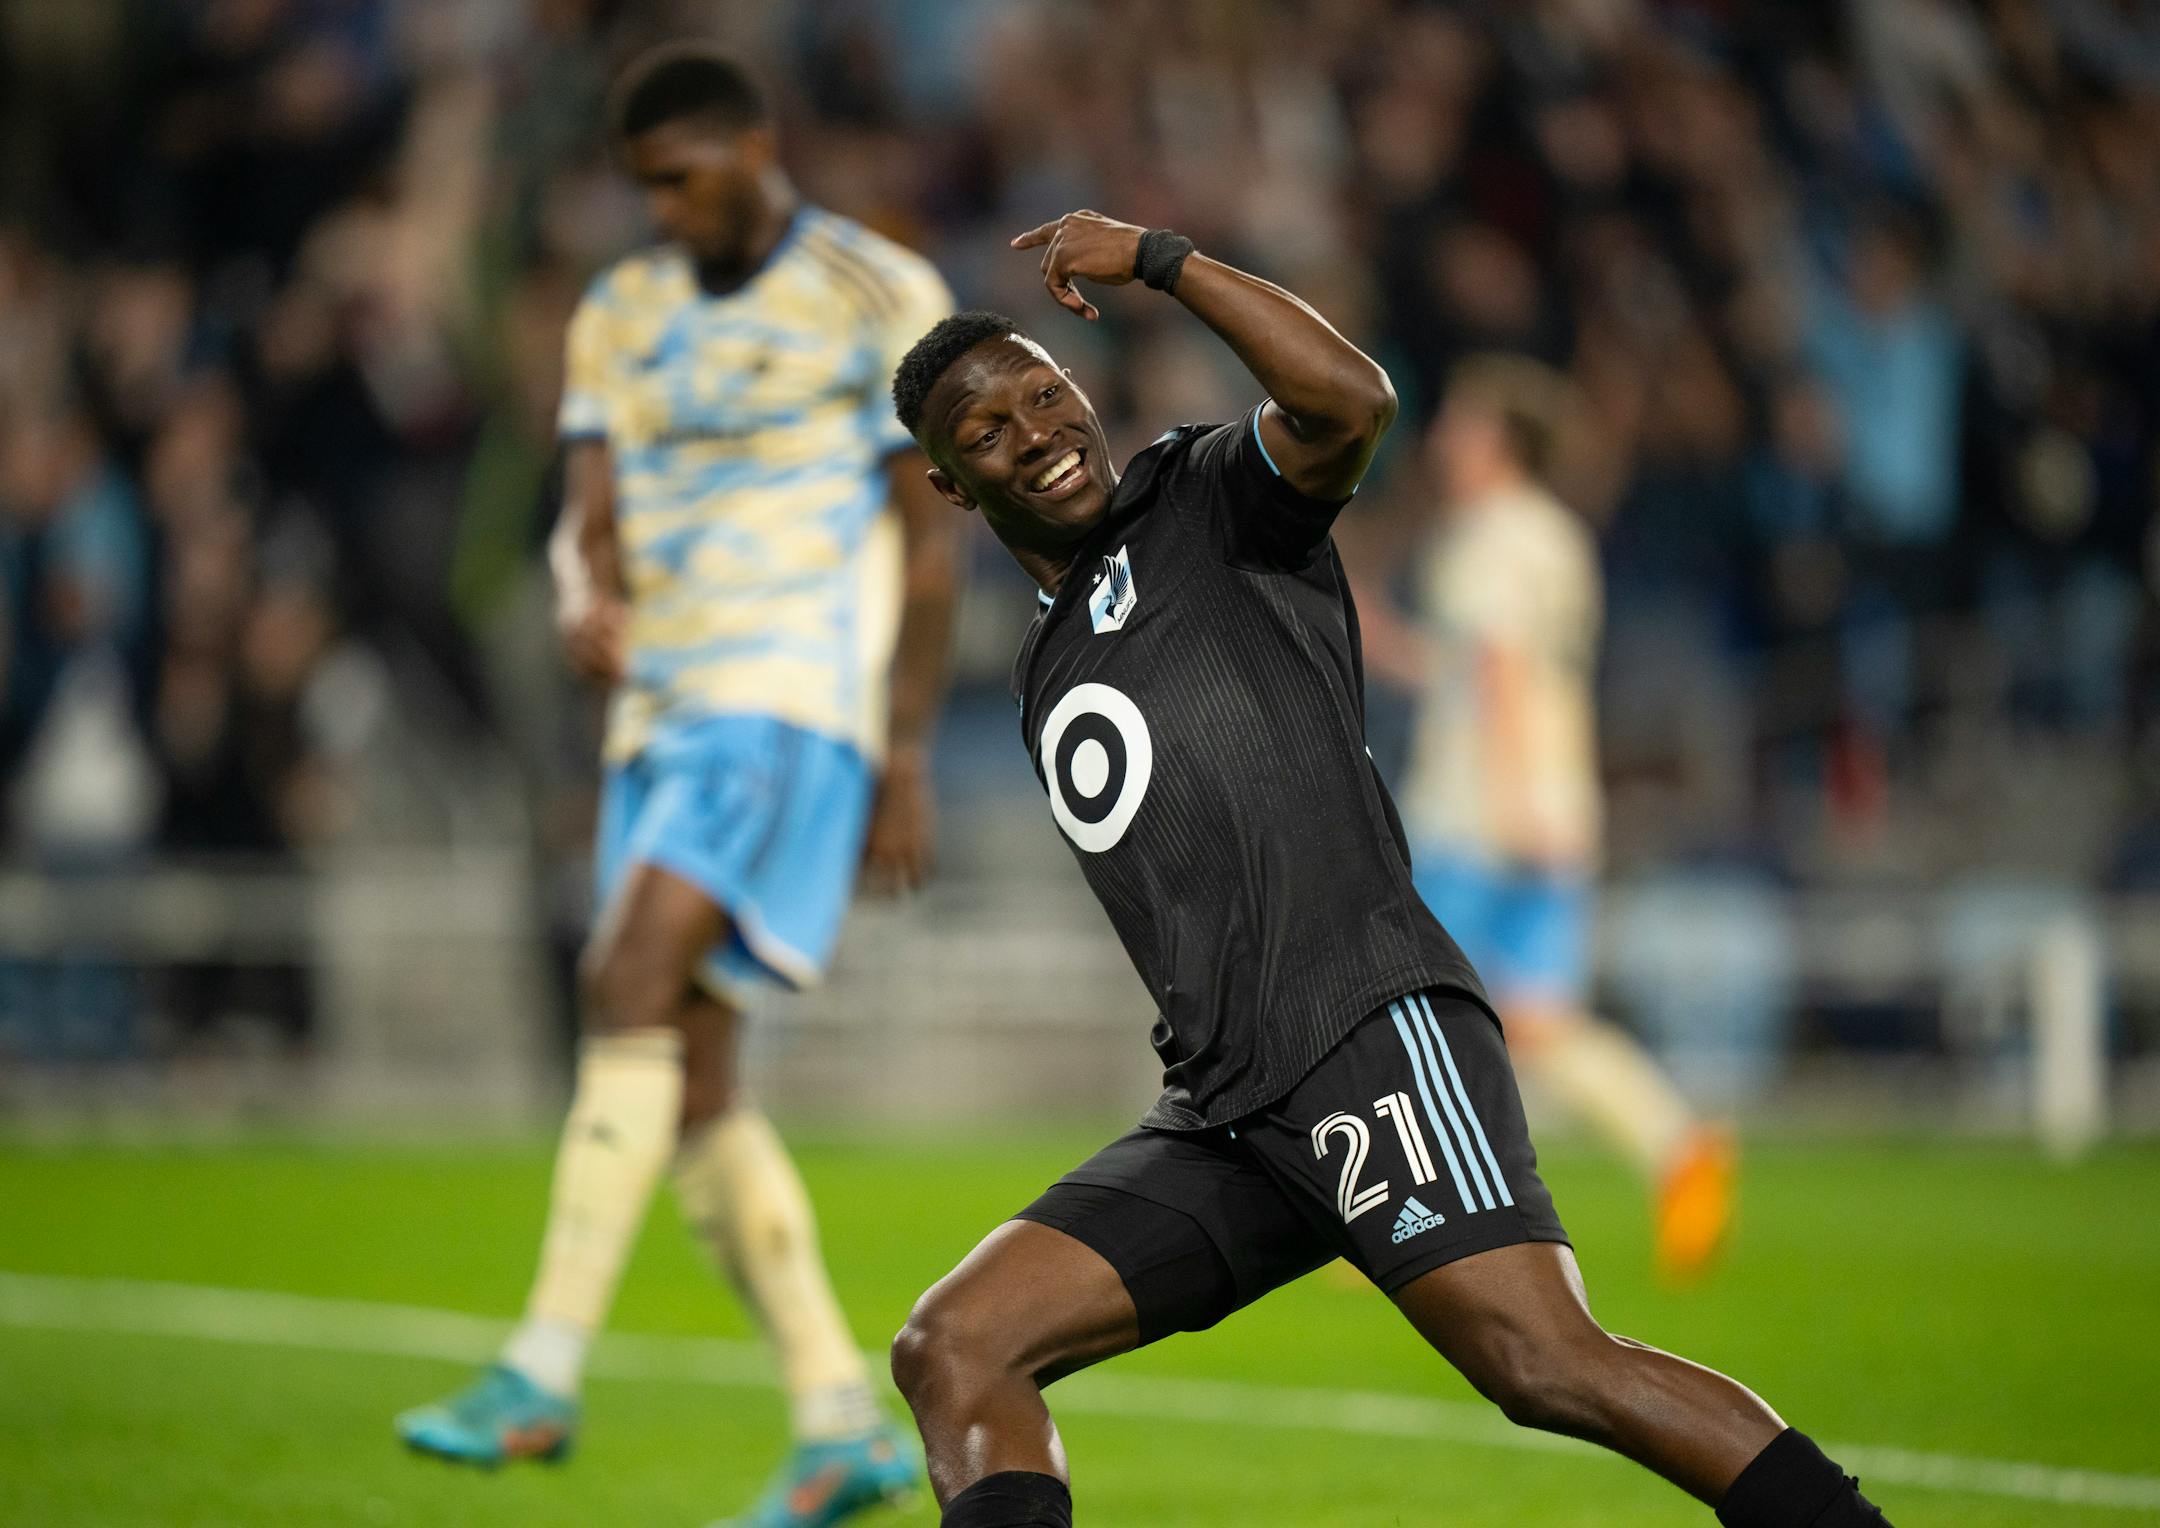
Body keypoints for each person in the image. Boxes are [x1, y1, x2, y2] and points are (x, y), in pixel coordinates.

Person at [881, 211, 1891, 1528]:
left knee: (1546, 1364)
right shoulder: (1044, 662)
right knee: (954, 1345)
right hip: (1228, 1105)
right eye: (991, 431)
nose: (1039, 431)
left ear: (1084, 387)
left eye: (1046, 392)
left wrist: (1167, 263)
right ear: (954, 485)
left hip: (1363, 1025)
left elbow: (1351, 400)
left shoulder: (1204, 497)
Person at [394, 45, 958, 1528]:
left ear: (754, 146)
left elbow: (937, 539)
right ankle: (839, 1420)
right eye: (643, 185)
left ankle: (539, 1371)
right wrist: (586, 589)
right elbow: (586, 514)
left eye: (682, 175)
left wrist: (903, 747)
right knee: (695, 1078)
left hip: (786, 701)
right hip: (659, 716)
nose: (663, 207)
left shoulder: (875, 289)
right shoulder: (620, 311)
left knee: (623, 978)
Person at [1366, 354, 1734, 1282]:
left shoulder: (1490, 537)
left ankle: (1391, 1209)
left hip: (1483, 812)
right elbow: (1481, 670)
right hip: (1550, 800)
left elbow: (1498, 674)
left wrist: (1514, 797)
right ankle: (1676, 1143)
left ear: (1497, 442)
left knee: (1409, 1006)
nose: (1444, 439)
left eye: (1458, 422)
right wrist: (1383, 642)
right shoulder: (1554, 538)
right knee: (1530, 1018)